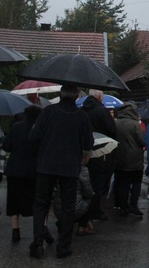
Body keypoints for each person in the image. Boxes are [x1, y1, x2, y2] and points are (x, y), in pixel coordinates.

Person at [28, 84, 94, 259]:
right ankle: (63, 246)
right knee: (68, 206)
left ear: (60, 94)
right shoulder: (82, 117)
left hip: (46, 164)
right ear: (76, 97)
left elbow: (33, 137)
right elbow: (89, 144)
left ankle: (38, 243)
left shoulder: (48, 112)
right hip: (70, 167)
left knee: (41, 203)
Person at [3, 105, 42, 242]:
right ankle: (40, 229)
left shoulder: (16, 127)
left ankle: (15, 230)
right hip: (34, 170)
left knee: (13, 200)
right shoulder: (40, 130)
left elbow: (6, 146)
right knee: (36, 201)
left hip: (14, 169)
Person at [81, 89, 117, 225]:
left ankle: (84, 211)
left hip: (85, 150)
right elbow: (112, 130)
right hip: (101, 151)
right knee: (98, 183)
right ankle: (94, 211)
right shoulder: (102, 111)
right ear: (100, 97)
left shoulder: (82, 110)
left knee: (86, 181)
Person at [113, 101, 146, 217]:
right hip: (135, 159)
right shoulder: (135, 124)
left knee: (123, 183)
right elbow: (142, 141)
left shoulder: (116, 123)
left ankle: (123, 206)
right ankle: (133, 205)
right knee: (136, 183)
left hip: (119, 157)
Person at [54, 165, 94, 236]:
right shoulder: (83, 170)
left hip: (58, 209)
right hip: (75, 209)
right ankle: (82, 226)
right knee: (91, 198)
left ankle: (63, 223)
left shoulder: (61, 167)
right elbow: (88, 193)